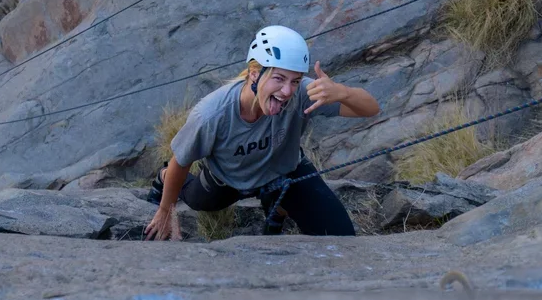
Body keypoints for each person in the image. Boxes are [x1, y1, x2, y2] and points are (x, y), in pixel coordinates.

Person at [144, 25, 380, 241]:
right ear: (254, 74)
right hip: (227, 181)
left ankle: (277, 210)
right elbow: (182, 160)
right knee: (198, 201)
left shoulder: (302, 93)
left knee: (340, 237)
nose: (287, 91)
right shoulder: (212, 114)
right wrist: (166, 209)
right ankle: (163, 177)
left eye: (295, 81)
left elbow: (371, 109)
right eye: (278, 78)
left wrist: (342, 92)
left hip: (283, 173)